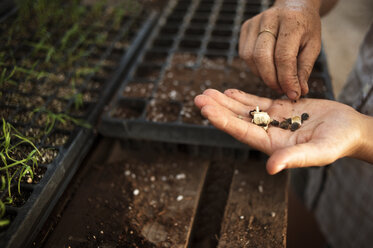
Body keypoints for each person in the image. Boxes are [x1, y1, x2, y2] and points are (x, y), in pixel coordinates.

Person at [194, 0, 373, 247]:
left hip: (365, 204)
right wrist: (302, 4)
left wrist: (364, 134)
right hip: (340, 158)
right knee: (307, 211)